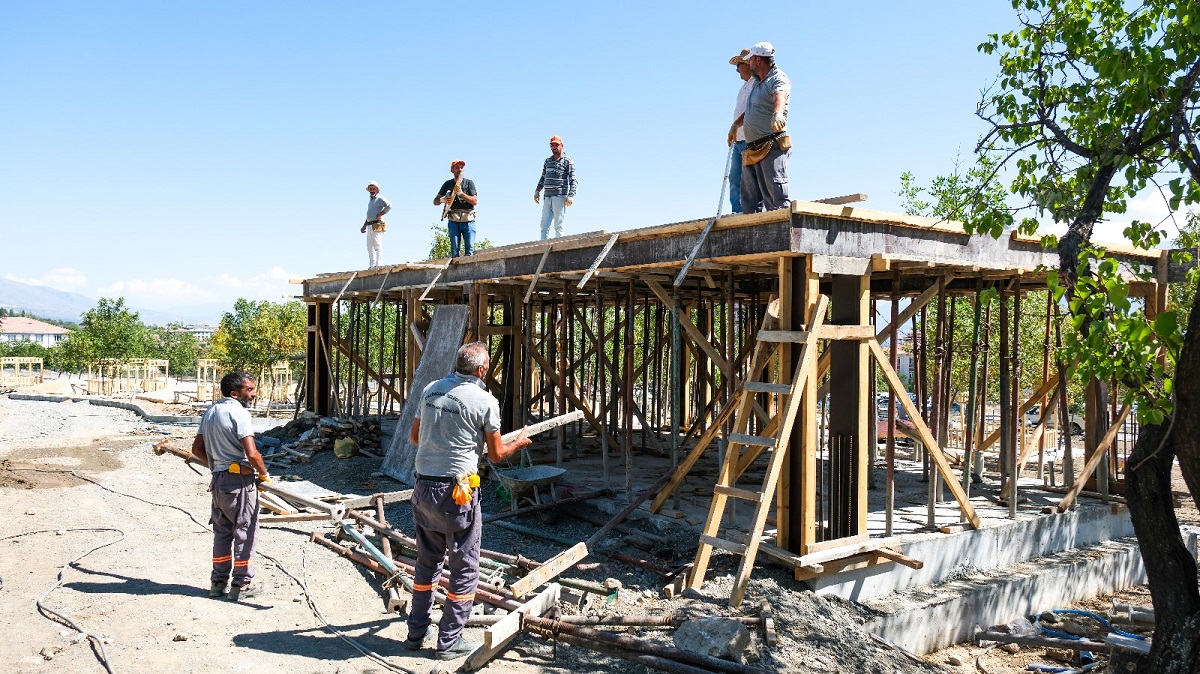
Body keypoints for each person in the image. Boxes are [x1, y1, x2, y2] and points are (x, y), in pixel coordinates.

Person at [404, 342, 530, 660]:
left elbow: (415, 438)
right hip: (457, 492)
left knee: (427, 562)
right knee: (464, 567)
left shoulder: (431, 390)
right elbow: (498, 454)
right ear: (481, 370)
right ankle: (449, 642)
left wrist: (444, 437)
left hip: (423, 488)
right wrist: (519, 442)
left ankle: (416, 631)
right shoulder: (485, 401)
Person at [190, 372, 269, 602]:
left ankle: (218, 583)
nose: (254, 394)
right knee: (246, 531)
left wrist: (217, 465)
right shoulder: (239, 413)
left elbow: (196, 450)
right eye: (250, 390)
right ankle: (241, 585)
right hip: (240, 482)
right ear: (235, 393)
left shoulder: (211, 412)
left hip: (219, 482)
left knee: (222, 532)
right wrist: (264, 475)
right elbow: (252, 453)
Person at [738, 42, 792, 213]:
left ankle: (781, 229)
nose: (749, 64)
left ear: (759, 60)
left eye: (750, 60)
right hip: (752, 147)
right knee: (749, 200)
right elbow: (752, 109)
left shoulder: (778, 78)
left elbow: (780, 97)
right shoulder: (756, 82)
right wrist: (736, 125)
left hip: (771, 145)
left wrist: (778, 114)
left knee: (775, 195)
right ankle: (750, 233)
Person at [533, 136, 577, 239]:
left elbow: (573, 180)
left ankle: (558, 248)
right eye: (552, 145)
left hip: (559, 197)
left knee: (558, 225)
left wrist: (571, 195)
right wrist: (537, 190)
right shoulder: (548, 161)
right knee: (544, 225)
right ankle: (543, 245)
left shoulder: (567, 161)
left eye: (556, 145)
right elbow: (543, 177)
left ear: (562, 145)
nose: (554, 147)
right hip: (547, 197)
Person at [726, 48, 753, 214]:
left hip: (751, 139)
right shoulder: (743, 87)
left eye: (739, 65)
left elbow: (752, 109)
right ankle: (737, 211)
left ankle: (750, 211)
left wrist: (736, 124)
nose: (737, 69)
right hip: (739, 140)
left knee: (750, 179)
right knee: (734, 178)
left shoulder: (757, 84)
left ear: (747, 64)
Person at [434, 161, 478, 257]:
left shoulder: (469, 183)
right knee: (454, 250)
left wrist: (461, 194)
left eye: (461, 167)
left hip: (468, 219)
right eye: (457, 167)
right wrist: (442, 200)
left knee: (469, 249)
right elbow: (435, 201)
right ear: (452, 170)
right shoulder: (447, 184)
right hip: (454, 219)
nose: (460, 169)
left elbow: (474, 201)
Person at [361, 181, 392, 268]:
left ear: (377, 190)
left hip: (377, 223)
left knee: (377, 245)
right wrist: (364, 225)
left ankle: (378, 264)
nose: (372, 191)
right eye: (370, 189)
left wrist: (380, 214)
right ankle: (372, 265)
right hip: (370, 224)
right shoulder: (371, 201)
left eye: (373, 189)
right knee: (369, 246)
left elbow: (389, 206)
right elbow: (369, 215)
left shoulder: (380, 198)